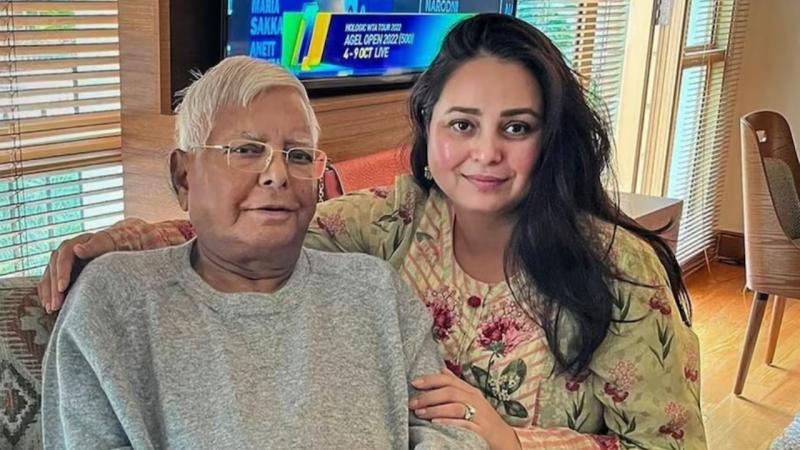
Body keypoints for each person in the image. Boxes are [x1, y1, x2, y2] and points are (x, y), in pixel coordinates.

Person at [39, 14, 707, 449]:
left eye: (517, 127)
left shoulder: (618, 271)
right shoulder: (391, 225)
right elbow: (257, 226)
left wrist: (508, 441)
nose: (486, 153)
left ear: (549, 139)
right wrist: (125, 241)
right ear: (428, 130)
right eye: (462, 124)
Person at [41, 56, 486, 450]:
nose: (277, 174)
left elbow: (449, 431)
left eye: (298, 155)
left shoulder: (375, 291)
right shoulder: (113, 302)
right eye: (246, 151)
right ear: (183, 177)